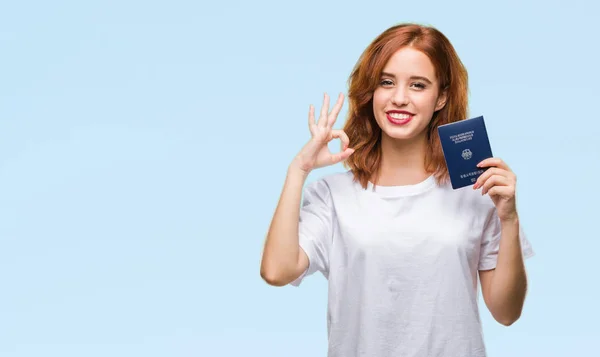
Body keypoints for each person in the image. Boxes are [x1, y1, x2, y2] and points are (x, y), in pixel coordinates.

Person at [259, 23, 534, 357]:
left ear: (441, 97)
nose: (399, 98)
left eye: (418, 85)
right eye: (386, 82)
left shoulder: (477, 191)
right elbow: (276, 271)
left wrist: (509, 220)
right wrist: (297, 171)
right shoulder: (333, 196)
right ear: (371, 93)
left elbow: (507, 313)